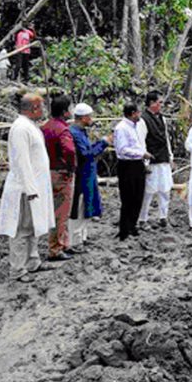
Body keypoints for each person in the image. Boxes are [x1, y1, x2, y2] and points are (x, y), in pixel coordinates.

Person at [0, 93, 54, 282]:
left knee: (34, 226)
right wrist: (30, 190)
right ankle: (18, 269)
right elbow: (21, 162)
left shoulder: (31, 127)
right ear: (34, 108)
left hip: (36, 186)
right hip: (25, 188)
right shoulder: (20, 128)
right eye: (42, 107)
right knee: (21, 229)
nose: (44, 111)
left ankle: (32, 261)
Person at [69, 103, 113, 251]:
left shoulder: (81, 132)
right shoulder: (75, 133)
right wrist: (103, 143)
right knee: (80, 205)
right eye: (90, 116)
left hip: (88, 173)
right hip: (82, 174)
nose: (92, 119)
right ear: (84, 118)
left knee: (86, 204)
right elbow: (86, 154)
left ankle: (82, 236)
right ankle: (75, 241)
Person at [42, 94, 77, 261]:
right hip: (61, 172)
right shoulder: (62, 130)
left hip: (48, 171)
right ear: (64, 112)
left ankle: (63, 243)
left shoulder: (45, 127)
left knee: (58, 210)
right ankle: (56, 248)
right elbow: (69, 150)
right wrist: (71, 167)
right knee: (61, 211)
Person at [114, 102, 153, 241]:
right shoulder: (122, 128)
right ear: (132, 113)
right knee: (128, 198)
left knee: (138, 196)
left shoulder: (136, 127)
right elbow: (122, 149)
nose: (140, 115)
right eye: (138, 112)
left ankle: (133, 225)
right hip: (127, 165)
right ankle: (124, 229)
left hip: (138, 164)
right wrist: (141, 154)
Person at [137, 90, 174, 228]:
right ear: (152, 103)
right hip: (151, 159)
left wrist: (170, 156)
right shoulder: (142, 120)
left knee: (165, 189)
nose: (161, 105)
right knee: (148, 191)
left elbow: (166, 139)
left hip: (163, 158)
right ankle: (142, 218)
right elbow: (141, 142)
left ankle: (163, 216)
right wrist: (144, 161)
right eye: (160, 102)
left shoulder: (162, 118)